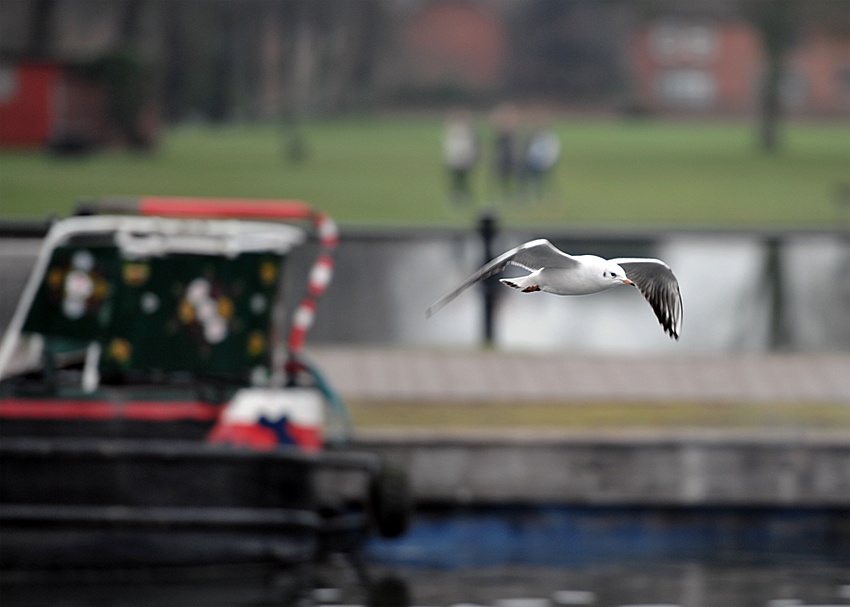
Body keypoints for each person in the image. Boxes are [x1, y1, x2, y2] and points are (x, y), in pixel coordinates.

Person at [442, 109, 479, 204]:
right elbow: (447, 123)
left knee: (464, 179)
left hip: (465, 158)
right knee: (455, 179)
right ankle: (456, 196)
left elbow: (471, 122)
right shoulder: (453, 129)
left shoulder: (467, 130)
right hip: (454, 158)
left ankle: (465, 196)